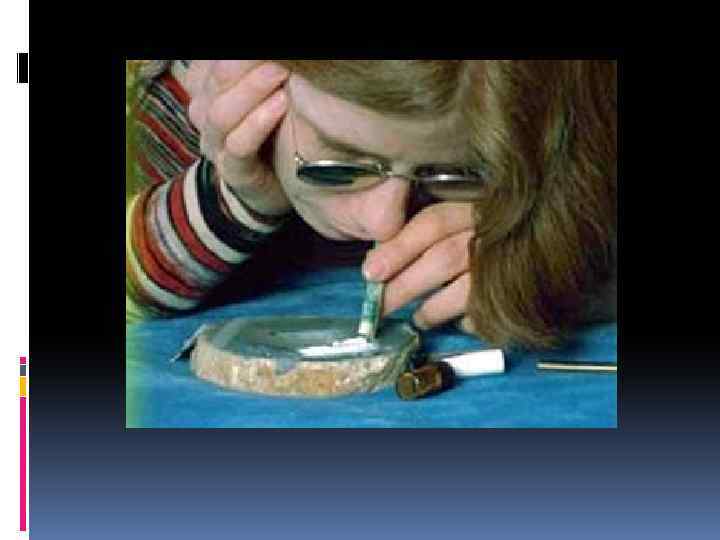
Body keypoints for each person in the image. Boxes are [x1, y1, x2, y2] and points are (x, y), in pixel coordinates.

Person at [126, 60, 617, 349]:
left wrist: (553, 256)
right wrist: (234, 201)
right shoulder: (182, 95)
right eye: (341, 161)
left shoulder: (560, 96)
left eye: (454, 173)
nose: (385, 221)